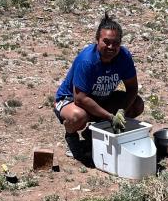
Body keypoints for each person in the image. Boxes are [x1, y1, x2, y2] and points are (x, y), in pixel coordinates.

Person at [54, 13, 145, 157]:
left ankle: (92, 133)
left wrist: (122, 110)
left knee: (136, 105)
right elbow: (80, 99)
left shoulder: (124, 57)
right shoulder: (87, 61)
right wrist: (110, 117)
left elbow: (132, 88)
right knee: (78, 117)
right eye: (106, 42)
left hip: (101, 99)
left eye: (115, 43)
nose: (111, 46)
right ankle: (71, 136)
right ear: (97, 40)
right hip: (70, 100)